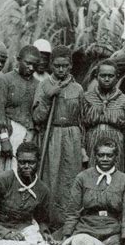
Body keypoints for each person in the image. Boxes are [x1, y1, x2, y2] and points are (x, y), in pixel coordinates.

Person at [63, 137, 125, 245]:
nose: (105, 158)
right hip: (85, 231)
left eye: (109, 155)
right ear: (95, 157)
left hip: (112, 234)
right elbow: (72, 211)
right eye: (101, 155)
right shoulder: (83, 177)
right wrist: (67, 235)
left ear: (116, 158)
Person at [32, 45, 86, 228]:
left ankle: (70, 221)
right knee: (51, 176)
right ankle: (49, 220)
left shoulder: (78, 88)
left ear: (70, 65)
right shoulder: (44, 85)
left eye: (65, 65)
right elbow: (37, 117)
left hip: (72, 136)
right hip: (52, 134)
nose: (61, 70)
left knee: (71, 177)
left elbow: (82, 119)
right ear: (51, 65)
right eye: (57, 66)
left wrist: (83, 146)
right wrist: (48, 97)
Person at [0, 142, 57, 245]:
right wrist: (6, 233)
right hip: (0, 231)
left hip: (25, 231)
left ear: (38, 162)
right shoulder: (1, 181)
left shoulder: (42, 189)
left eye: (31, 163)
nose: (26, 166)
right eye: (22, 162)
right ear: (16, 160)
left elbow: (42, 220)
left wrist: (45, 232)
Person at [0, 45, 40, 171]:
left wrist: (31, 134)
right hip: (8, 131)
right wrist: (4, 139)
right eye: (28, 63)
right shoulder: (5, 80)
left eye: (35, 65)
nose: (31, 68)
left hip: (28, 136)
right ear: (19, 60)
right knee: (4, 171)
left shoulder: (38, 85)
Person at [81, 60, 125, 171]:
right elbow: (80, 126)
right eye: (103, 75)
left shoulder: (124, 101)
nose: (106, 79)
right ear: (97, 76)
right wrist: (82, 150)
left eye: (110, 76)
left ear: (116, 77)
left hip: (116, 144)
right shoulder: (86, 98)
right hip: (92, 143)